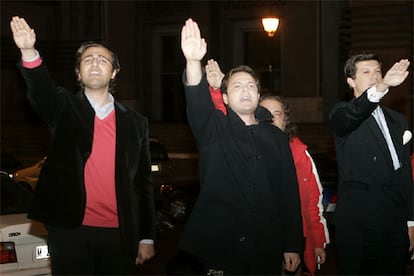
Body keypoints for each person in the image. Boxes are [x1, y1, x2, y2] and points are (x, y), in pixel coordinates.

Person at [10, 16, 155, 275]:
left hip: (119, 233)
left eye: (102, 59)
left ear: (114, 72)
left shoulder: (136, 123)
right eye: (87, 59)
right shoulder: (65, 107)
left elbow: (142, 185)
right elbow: (42, 94)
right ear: (78, 73)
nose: (95, 63)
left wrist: (146, 237)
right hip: (70, 231)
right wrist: (28, 51)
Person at [179, 18, 303, 275]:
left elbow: (288, 194)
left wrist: (292, 244)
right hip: (221, 246)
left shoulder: (276, 136)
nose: (245, 91)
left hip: (265, 247)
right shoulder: (213, 128)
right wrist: (193, 62)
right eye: (237, 86)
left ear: (258, 95)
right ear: (224, 97)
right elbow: (197, 99)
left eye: (251, 86)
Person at [206, 59, 330, 275]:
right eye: (266, 114)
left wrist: (313, 242)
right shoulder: (245, 143)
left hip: (287, 244)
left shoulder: (300, 153)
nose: (271, 119)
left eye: (277, 114)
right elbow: (226, 122)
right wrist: (219, 90)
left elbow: (310, 203)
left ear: (286, 120)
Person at [329, 53, 413, 275]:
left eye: (378, 71)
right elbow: (356, 113)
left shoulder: (398, 119)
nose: (375, 76)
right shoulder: (341, 112)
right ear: (350, 81)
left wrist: (411, 223)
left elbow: (405, 176)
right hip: (360, 221)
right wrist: (383, 85)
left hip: (394, 220)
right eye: (366, 72)